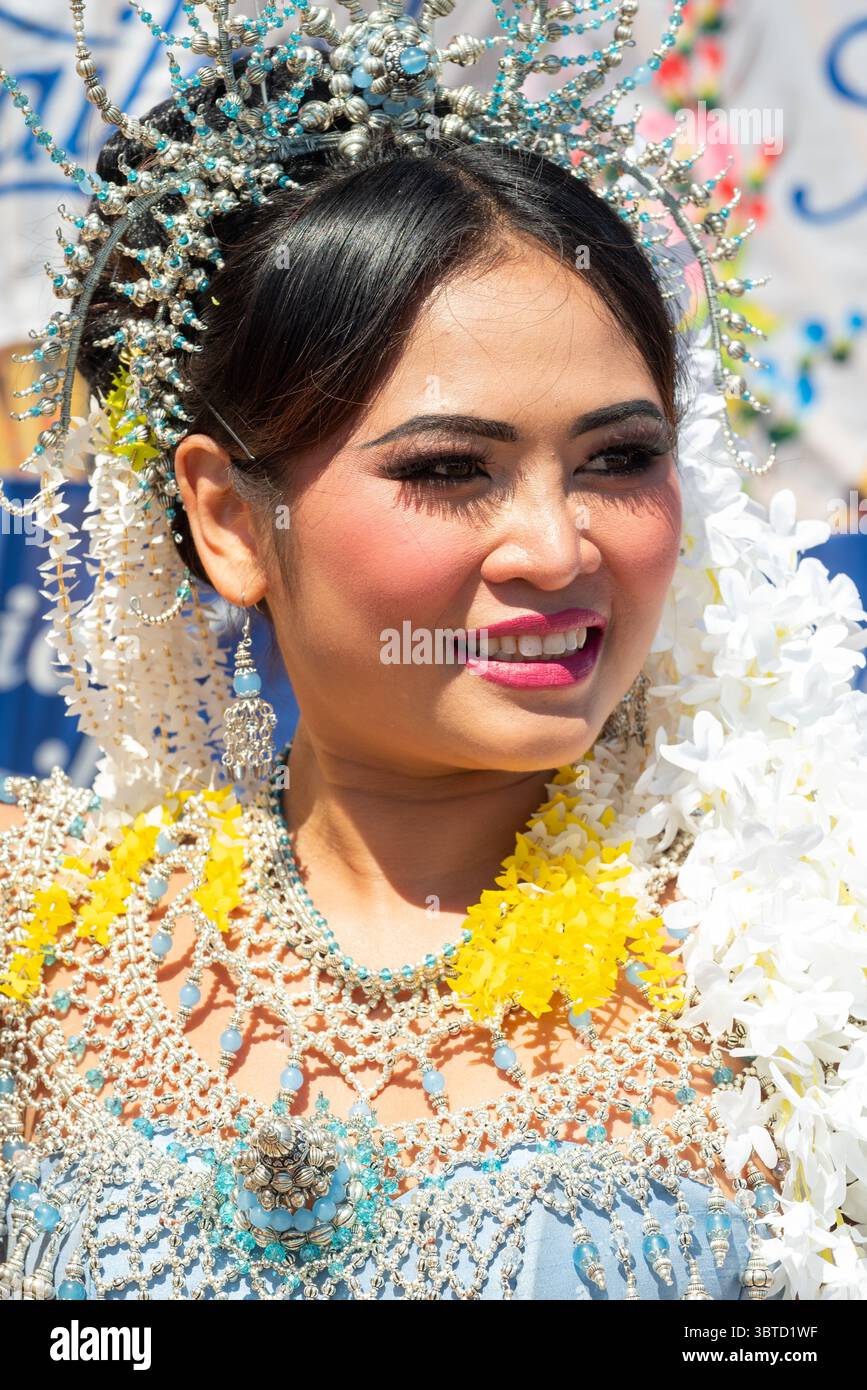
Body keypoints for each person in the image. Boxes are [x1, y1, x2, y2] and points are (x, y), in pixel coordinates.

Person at [1, 0, 865, 1303]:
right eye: (452, 469)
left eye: (620, 459)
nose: (556, 546)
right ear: (232, 517)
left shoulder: (805, 957)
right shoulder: (41, 925)